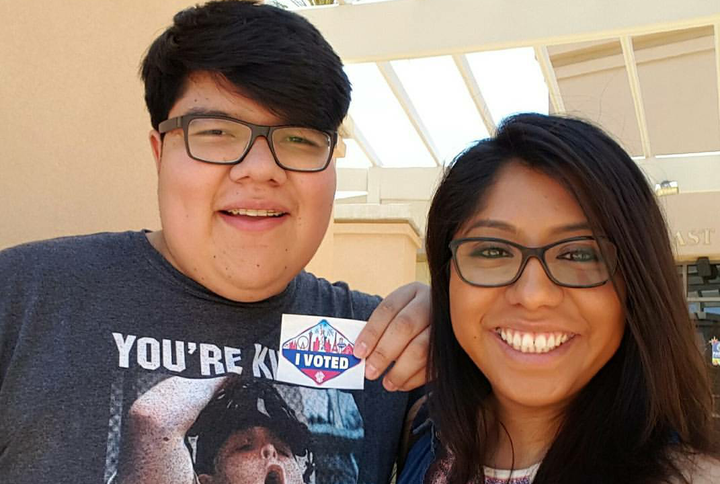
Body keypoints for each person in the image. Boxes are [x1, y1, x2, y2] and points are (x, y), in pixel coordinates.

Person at [0, 2, 430, 483]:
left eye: (299, 139)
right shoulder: (23, 301)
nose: (262, 169)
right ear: (160, 152)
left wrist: (468, 319)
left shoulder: (391, 346)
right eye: (218, 133)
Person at [399, 113, 720, 484]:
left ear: (637, 284)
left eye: (579, 254)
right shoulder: (423, 433)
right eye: (492, 251)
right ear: (446, 275)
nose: (533, 296)